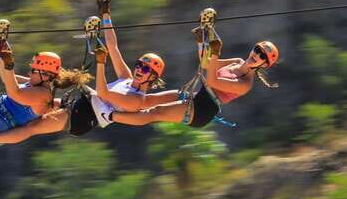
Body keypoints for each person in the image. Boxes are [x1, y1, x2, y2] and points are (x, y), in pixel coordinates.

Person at [0, 0, 177, 149]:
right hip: (79, 105)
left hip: (81, 117)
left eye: (146, 69)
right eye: (140, 64)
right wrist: (106, 16)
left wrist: (100, 63)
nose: (139, 69)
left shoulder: (137, 101)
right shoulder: (127, 78)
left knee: (32, 127)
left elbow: (103, 93)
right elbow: (113, 47)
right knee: (35, 90)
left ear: (153, 77)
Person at [111, 18, 279, 128]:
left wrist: (214, 53)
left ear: (264, 64)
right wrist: (201, 42)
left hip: (202, 110)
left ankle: (110, 116)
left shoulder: (245, 85)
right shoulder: (236, 61)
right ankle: (114, 104)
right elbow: (206, 64)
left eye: (262, 56)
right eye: (257, 50)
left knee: (156, 111)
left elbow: (212, 81)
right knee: (148, 100)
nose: (256, 55)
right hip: (197, 96)